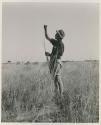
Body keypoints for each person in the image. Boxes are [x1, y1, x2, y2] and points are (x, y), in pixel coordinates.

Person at [44, 25, 65, 96]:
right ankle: (57, 95)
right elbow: (47, 37)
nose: (55, 34)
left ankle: (61, 95)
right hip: (54, 62)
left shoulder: (61, 45)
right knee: (55, 79)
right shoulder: (55, 42)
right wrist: (45, 29)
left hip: (57, 62)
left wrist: (49, 54)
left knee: (58, 78)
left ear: (59, 36)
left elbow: (59, 55)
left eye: (57, 33)